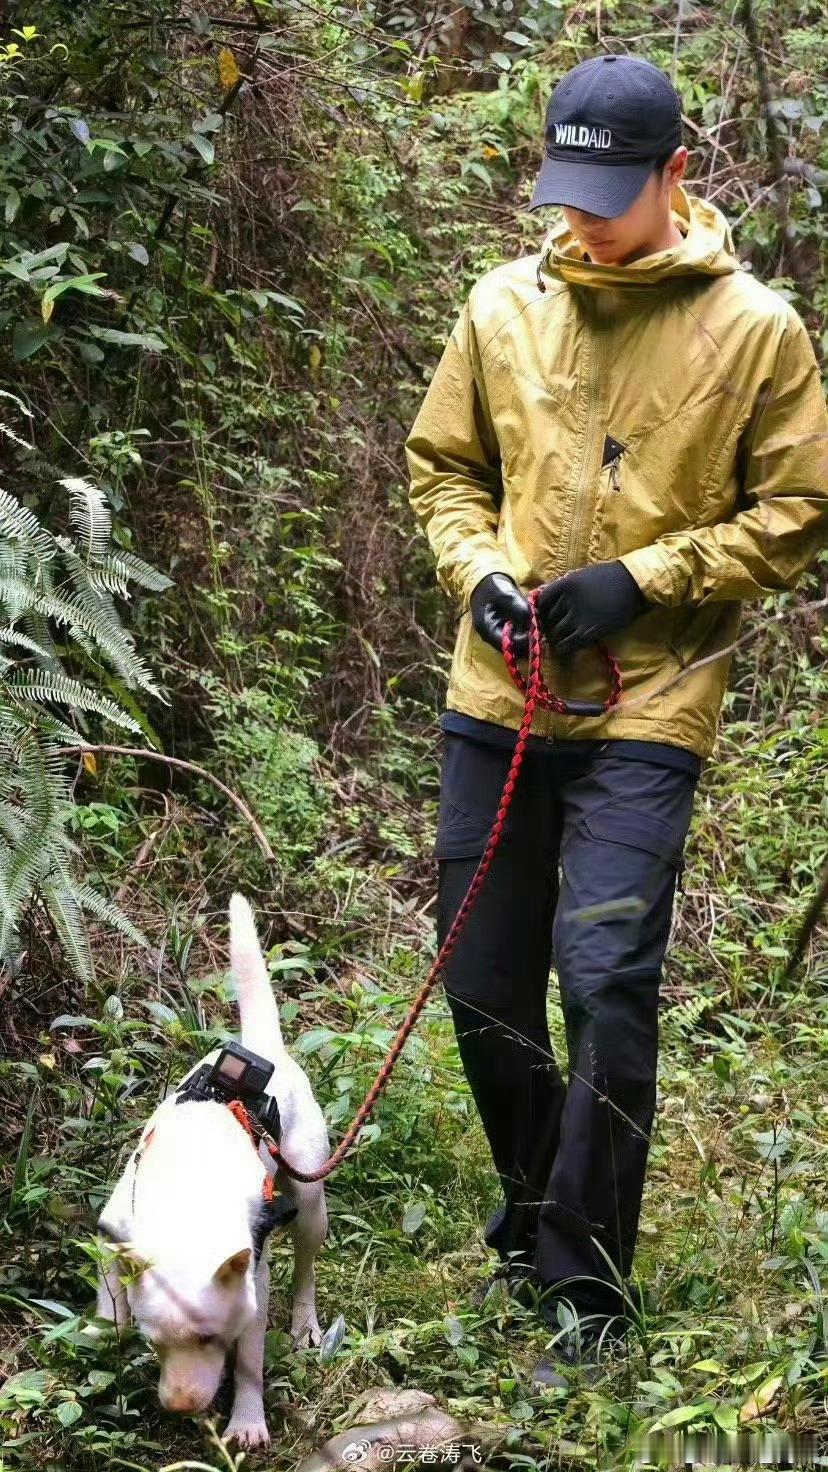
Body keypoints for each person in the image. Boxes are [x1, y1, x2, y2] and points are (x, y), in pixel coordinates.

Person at [404, 53, 828, 1388]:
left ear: (676, 174)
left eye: (611, 192)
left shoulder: (757, 330)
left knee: (606, 984)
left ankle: (584, 1282)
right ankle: (536, 1206)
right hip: (500, 699)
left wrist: (638, 580)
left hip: (648, 705)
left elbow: (798, 512)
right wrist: (484, 582)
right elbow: (445, 470)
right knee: (484, 993)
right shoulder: (500, 306)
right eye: (567, 190)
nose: (583, 218)